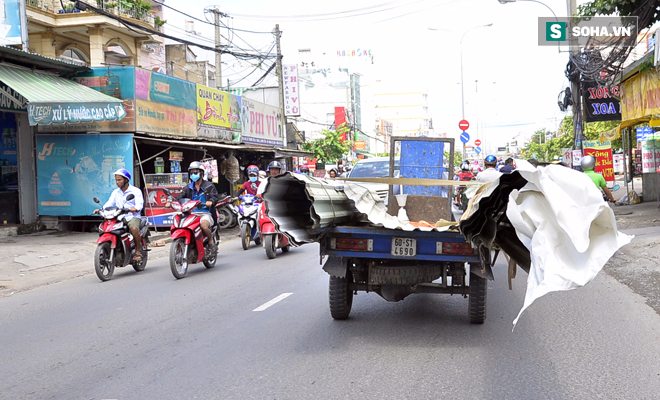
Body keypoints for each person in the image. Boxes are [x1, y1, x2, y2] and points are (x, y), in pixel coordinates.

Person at [166, 161, 219, 252]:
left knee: (204, 226)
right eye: (192, 173)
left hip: (205, 213)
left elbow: (214, 197)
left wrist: (211, 201)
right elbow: (180, 196)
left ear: (201, 173)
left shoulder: (209, 185)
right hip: (191, 213)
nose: (193, 175)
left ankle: (210, 240)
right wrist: (171, 202)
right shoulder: (188, 187)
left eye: (195, 172)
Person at [94, 169, 144, 262]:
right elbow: (109, 203)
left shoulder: (135, 191)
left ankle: (138, 251)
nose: (117, 182)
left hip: (132, 216)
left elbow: (139, 205)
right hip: (119, 217)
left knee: (133, 229)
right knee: (108, 228)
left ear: (126, 180)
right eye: (116, 180)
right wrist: (101, 210)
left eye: (119, 180)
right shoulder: (115, 192)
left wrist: (134, 208)